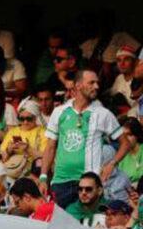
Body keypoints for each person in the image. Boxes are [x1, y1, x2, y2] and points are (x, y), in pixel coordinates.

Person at [42, 70, 126, 207]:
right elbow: (50, 147)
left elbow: (125, 143)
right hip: (60, 182)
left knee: (87, 225)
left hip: (88, 184)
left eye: (97, 83)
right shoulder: (59, 112)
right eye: (91, 83)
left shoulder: (103, 114)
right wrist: (43, 177)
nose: (96, 87)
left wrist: (112, 164)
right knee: (61, 226)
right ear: (78, 85)